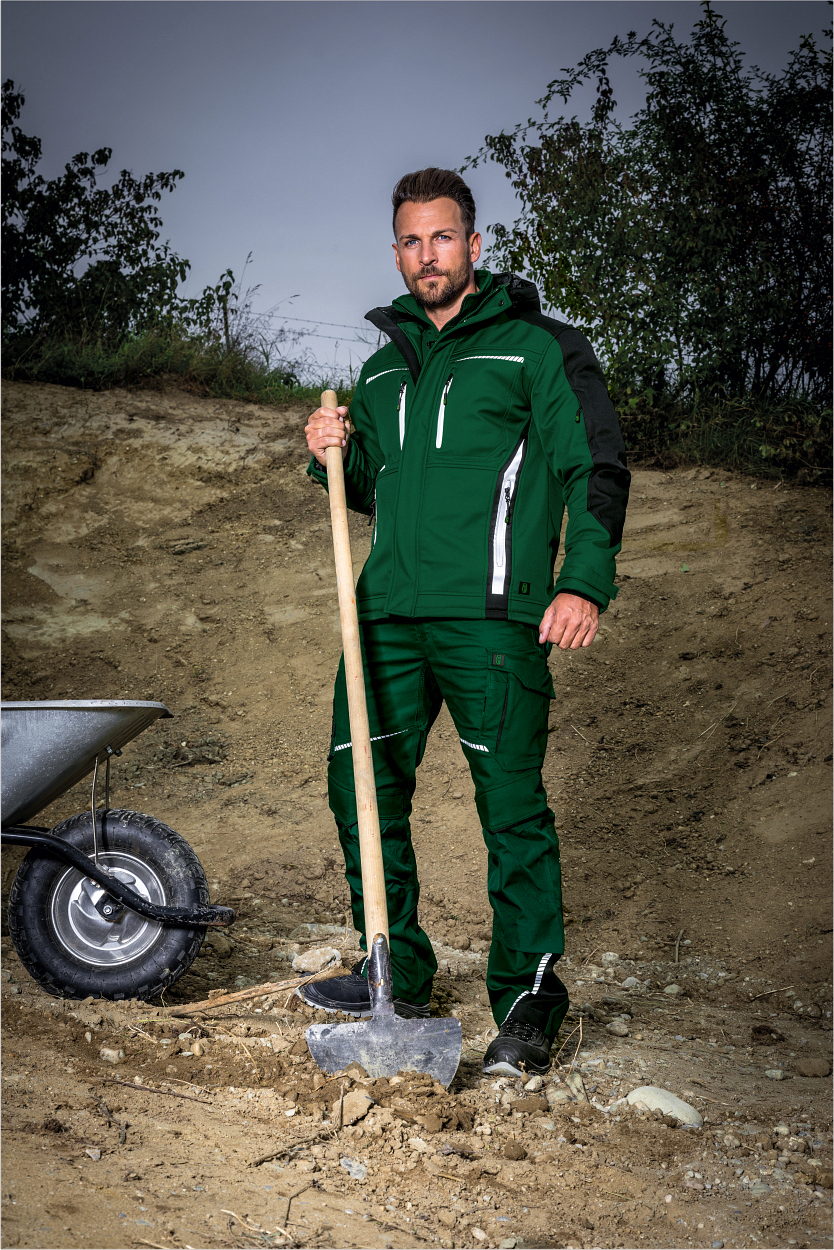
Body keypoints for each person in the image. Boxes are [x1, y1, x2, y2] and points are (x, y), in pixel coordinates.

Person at [301, 167, 630, 1077]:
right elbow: (367, 487)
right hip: (385, 620)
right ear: (397, 250)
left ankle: (526, 1003)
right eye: (410, 241)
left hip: (491, 620)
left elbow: (593, 466)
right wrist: (333, 453)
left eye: (442, 238)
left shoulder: (536, 347)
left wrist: (582, 584)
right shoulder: (380, 364)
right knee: (359, 792)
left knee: (510, 810)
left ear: (474, 245)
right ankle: (392, 972)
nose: (426, 256)